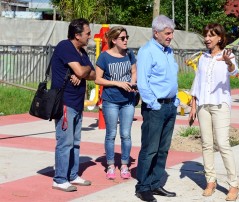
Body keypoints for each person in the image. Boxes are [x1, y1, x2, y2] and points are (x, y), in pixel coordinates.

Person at [188, 23, 239, 201]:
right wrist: (193, 106)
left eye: (211, 35)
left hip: (220, 105)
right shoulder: (203, 58)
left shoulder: (228, 55)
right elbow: (197, 81)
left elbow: (235, 73)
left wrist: (228, 63)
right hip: (203, 105)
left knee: (223, 144)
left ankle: (234, 184)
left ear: (220, 38)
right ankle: (211, 181)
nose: (207, 38)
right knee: (206, 144)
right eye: (206, 35)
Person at [135, 15, 179, 202]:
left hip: (170, 106)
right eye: (167, 33)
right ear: (156, 33)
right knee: (150, 149)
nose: (170, 36)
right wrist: (154, 104)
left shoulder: (168, 51)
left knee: (163, 149)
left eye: (171, 33)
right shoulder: (147, 51)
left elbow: (170, 79)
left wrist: (175, 100)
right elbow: (143, 82)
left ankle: (155, 183)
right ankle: (143, 186)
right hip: (155, 107)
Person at [51, 18, 96, 192]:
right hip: (65, 102)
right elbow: (82, 71)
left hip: (77, 103)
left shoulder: (82, 53)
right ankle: (60, 178)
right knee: (65, 142)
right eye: (87, 33)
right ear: (77, 35)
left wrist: (82, 71)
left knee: (76, 142)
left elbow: (93, 74)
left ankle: (72, 174)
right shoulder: (65, 46)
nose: (90, 36)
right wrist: (81, 71)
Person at [94, 26, 137, 180]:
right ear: (113, 40)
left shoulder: (130, 54)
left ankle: (125, 165)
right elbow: (98, 79)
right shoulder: (104, 57)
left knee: (126, 134)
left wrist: (132, 84)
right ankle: (111, 165)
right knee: (111, 134)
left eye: (127, 38)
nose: (126, 41)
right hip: (110, 101)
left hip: (128, 101)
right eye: (122, 38)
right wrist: (118, 83)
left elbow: (134, 72)